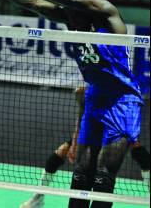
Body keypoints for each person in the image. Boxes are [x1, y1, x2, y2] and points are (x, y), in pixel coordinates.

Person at [0, 0, 144, 207]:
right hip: (95, 97)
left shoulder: (105, 13)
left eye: (69, 10)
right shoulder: (71, 17)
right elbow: (34, 3)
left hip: (123, 100)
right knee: (81, 173)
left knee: (104, 174)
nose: (65, 17)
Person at [21, 87, 150, 208]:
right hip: (92, 131)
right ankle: (38, 196)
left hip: (117, 129)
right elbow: (81, 116)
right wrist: (75, 141)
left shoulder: (122, 90)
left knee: (138, 155)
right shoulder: (84, 91)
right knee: (61, 154)